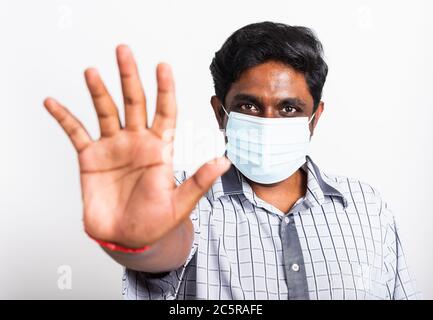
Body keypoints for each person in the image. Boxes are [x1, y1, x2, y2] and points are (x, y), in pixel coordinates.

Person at [43, 21, 420, 300]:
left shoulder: (368, 206)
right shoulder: (178, 199)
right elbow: (164, 244)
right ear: (221, 114)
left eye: (289, 108)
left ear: (314, 118)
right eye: (249, 105)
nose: (268, 120)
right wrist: (143, 240)